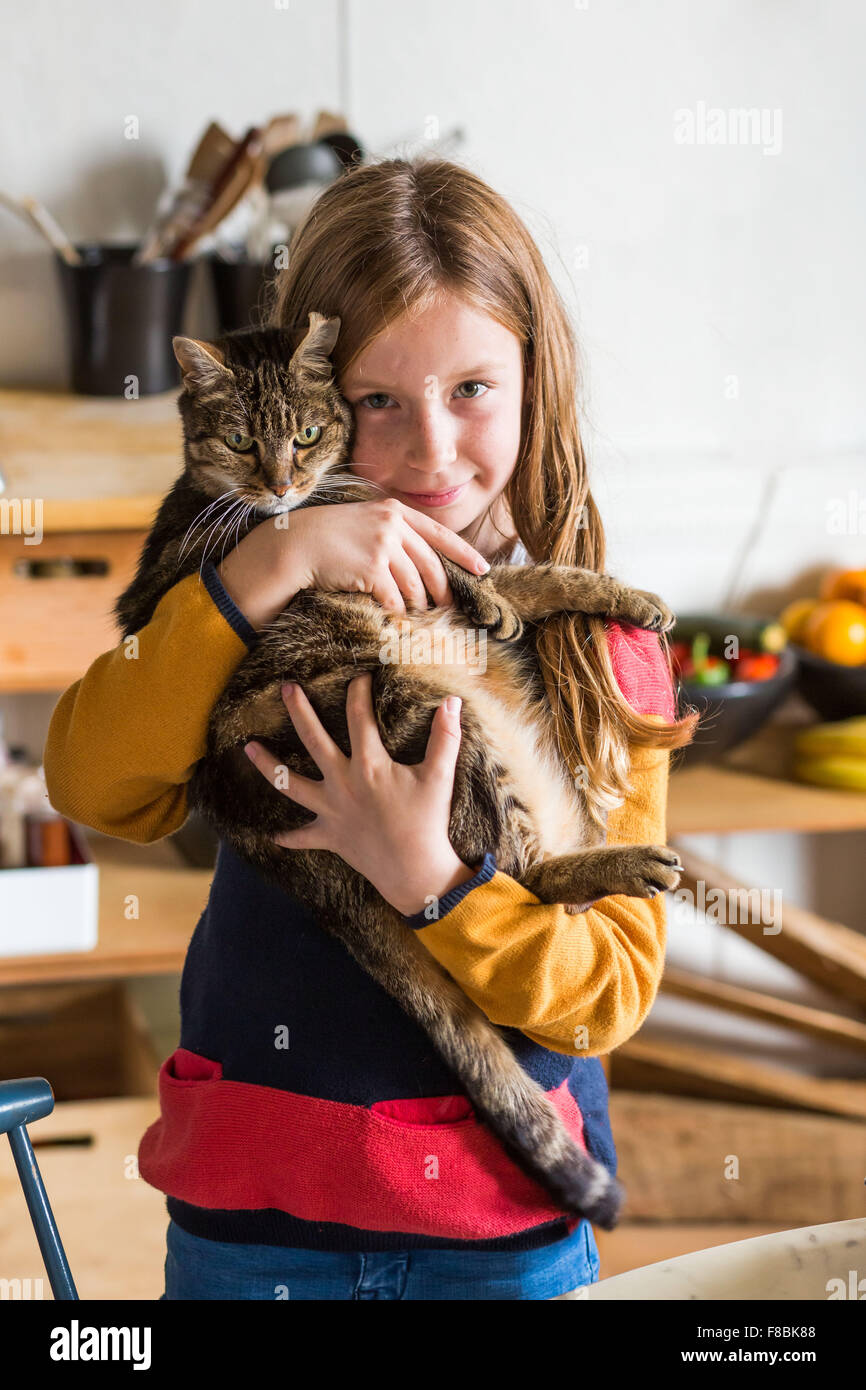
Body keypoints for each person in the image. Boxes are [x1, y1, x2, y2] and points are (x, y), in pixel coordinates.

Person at [43, 156, 696, 1300]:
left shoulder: (596, 647)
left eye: (471, 390)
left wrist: (435, 883)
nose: (429, 452)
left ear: (537, 379)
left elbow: (605, 994)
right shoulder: (247, 586)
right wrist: (260, 568)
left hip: (499, 1234)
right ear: (308, 395)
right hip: (253, 1226)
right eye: (376, 399)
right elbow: (95, 784)